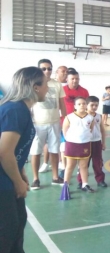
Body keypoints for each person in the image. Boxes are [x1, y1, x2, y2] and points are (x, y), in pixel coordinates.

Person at [0, 67, 49, 253]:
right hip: (3, 181)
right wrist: (17, 181)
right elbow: (4, 152)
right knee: (6, 230)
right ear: (35, 87)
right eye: (45, 84)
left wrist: (20, 170)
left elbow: (14, 150)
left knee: (17, 224)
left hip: (9, 176)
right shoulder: (15, 110)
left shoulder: (22, 110)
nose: (48, 88)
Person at [30, 59, 67, 190]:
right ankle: (35, 179)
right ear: (39, 69)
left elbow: (62, 104)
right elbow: (29, 102)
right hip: (37, 124)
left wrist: (65, 119)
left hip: (54, 122)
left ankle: (55, 177)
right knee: (36, 151)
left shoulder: (57, 85)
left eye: (49, 68)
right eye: (44, 68)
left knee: (54, 150)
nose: (47, 71)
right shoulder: (33, 84)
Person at [62, 97, 95, 193]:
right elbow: (64, 129)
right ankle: (66, 185)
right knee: (70, 165)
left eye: (84, 103)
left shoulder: (90, 118)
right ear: (75, 106)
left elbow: (91, 129)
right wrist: (70, 139)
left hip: (85, 144)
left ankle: (85, 184)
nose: (82, 105)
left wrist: (86, 137)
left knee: (83, 165)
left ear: (86, 105)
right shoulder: (69, 117)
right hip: (72, 144)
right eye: (79, 104)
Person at [76, 96, 107, 189]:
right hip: (86, 142)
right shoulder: (83, 117)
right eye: (92, 105)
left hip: (97, 142)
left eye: (96, 105)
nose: (94, 107)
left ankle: (100, 180)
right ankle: (81, 181)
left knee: (98, 162)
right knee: (84, 163)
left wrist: (103, 142)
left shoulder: (99, 116)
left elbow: (102, 130)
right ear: (86, 105)